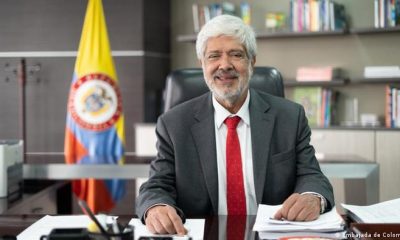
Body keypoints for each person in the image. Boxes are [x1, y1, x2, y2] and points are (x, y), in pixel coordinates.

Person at [136, 14, 334, 235]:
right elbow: (156, 186)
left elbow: (312, 176)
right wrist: (156, 207)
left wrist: (312, 197)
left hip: (273, 234)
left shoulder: (289, 116)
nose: (225, 65)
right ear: (202, 63)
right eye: (214, 56)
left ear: (252, 62)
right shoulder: (174, 124)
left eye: (236, 55)